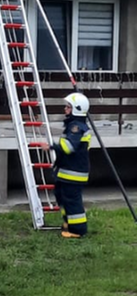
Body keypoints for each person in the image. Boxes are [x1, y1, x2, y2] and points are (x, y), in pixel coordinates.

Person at [54, 93, 92, 238]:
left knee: (72, 201)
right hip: (67, 171)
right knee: (62, 197)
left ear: (76, 109)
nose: (65, 109)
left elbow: (69, 147)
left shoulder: (76, 127)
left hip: (73, 172)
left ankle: (77, 229)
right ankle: (68, 223)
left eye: (68, 107)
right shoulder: (73, 125)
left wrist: (52, 147)